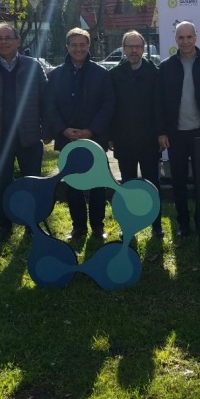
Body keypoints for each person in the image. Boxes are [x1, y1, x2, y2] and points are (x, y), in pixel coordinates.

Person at [0, 23, 48, 243]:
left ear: (18, 41)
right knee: (1, 185)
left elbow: (46, 100)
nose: (3, 42)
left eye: (8, 38)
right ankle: (4, 227)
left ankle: (32, 226)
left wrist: (47, 131)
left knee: (31, 184)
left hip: (30, 136)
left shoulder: (33, 66)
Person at [45, 28, 115, 240]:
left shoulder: (101, 73)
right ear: (67, 47)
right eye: (74, 45)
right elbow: (50, 105)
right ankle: (78, 227)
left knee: (97, 184)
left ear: (88, 46)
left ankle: (97, 226)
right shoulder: (55, 74)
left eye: (82, 44)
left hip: (94, 138)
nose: (78, 49)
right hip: (67, 138)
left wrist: (91, 130)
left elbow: (108, 103)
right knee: (73, 185)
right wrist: (63, 129)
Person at [158, 21, 200, 237]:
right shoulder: (166, 67)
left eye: (189, 37)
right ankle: (183, 224)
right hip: (175, 134)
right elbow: (159, 102)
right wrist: (164, 131)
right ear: (175, 39)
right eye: (181, 37)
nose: (185, 41)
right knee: (178, 181)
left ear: (196, 37)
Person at [108, 30, 164, 238]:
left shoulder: (154, 72)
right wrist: (110, 135)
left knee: (152, 183)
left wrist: (161, 133)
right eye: (129, 46)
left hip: (149, 139)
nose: (134, 50)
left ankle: (156, 224)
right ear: (123, 49)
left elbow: (160, 106)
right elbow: (111, 108)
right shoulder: (114, 75)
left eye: (138, 46)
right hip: (124, 140)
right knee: (128, 184)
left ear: (143, 49)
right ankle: (128, 224)